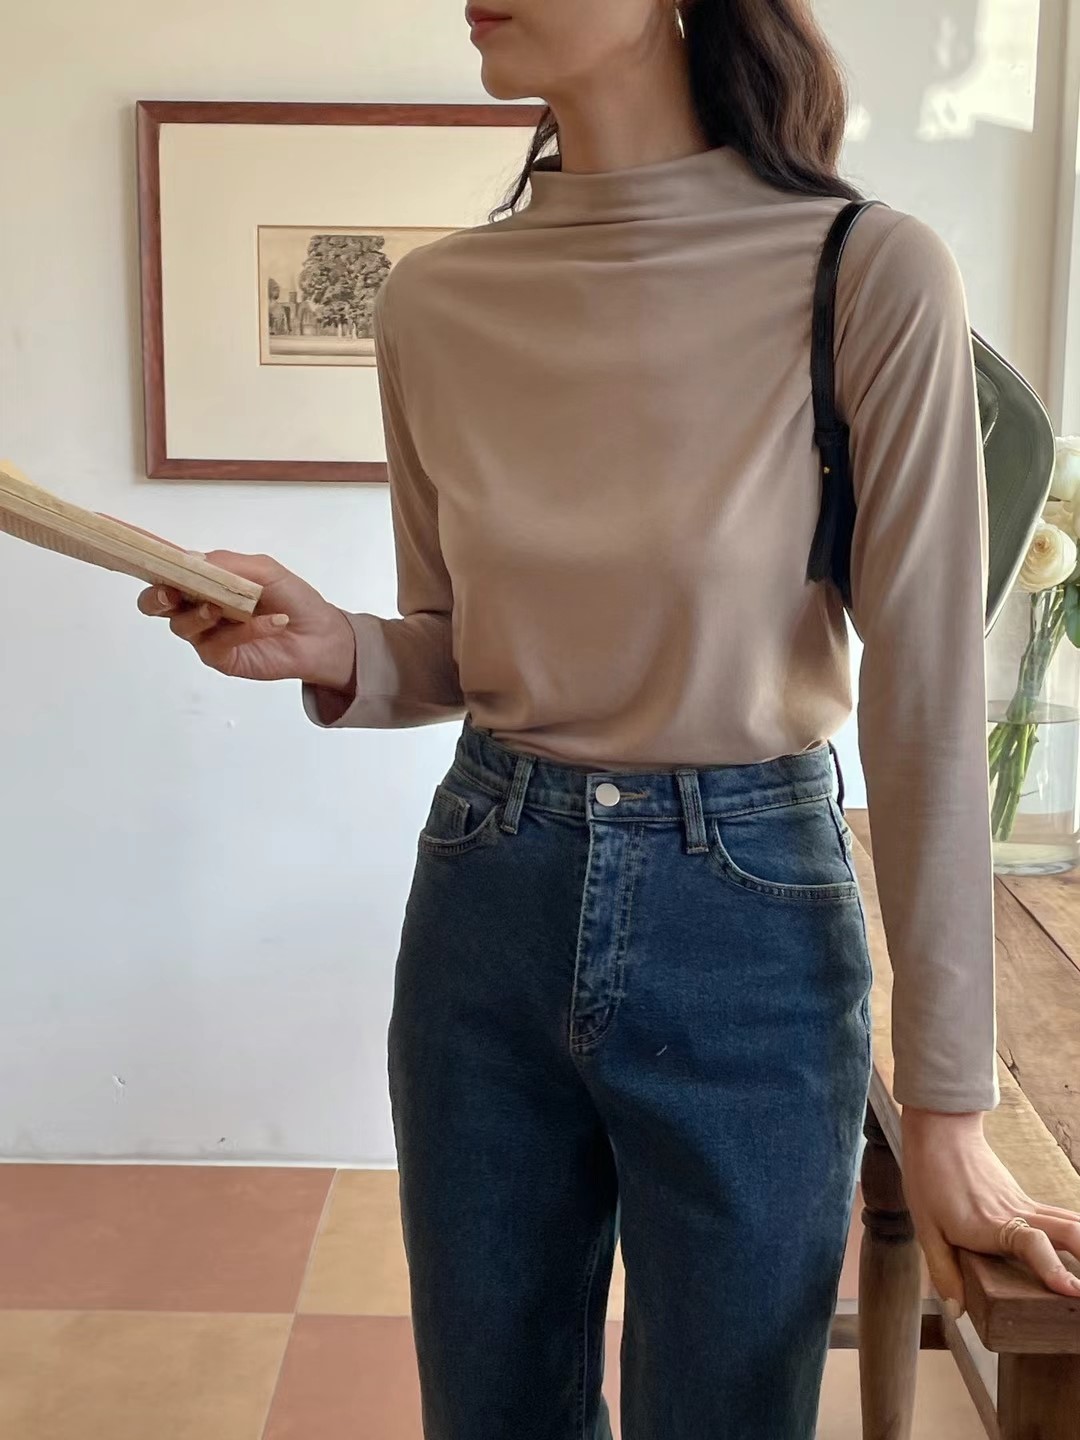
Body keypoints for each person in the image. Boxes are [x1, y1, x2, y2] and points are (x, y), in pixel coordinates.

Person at [139, 2, 1080, 1435]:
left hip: (750, 920)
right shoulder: (435, 304)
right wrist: (340, 646)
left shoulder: (865, 271)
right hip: (487, 894)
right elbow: (464, 645)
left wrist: (948, 1113)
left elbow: (930, 697)